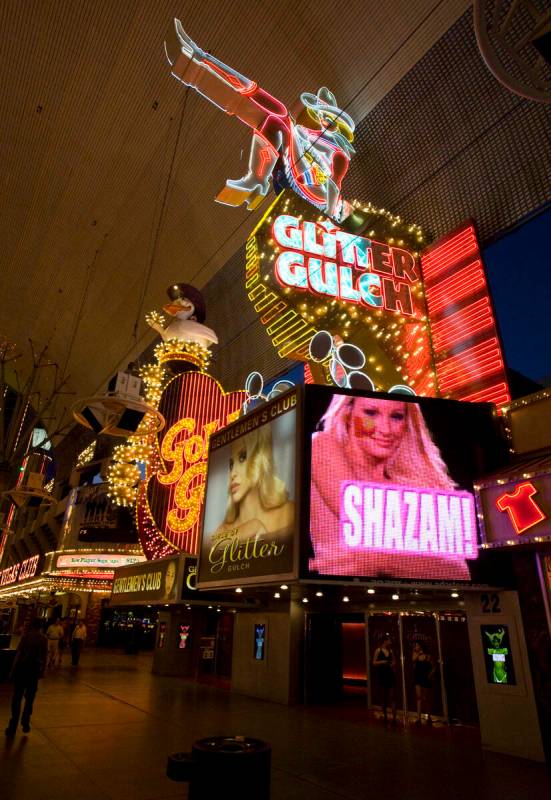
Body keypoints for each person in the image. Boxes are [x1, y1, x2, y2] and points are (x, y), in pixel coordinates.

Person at [166, 20, 355, 220]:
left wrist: (328, 216)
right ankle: (200, 58)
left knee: (279, 114)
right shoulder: (309, 134)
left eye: (329, 119)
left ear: (339, 126)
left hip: (314, 193)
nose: (324, 119)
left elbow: (334, 185)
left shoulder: (340, 154)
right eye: (323, 115)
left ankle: (256, 180)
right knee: (273, 118)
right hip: (299, 171)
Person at [309, 395, 471, 579]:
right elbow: (367, 523)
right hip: (337, 597)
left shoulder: (411, 482)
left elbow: (460, 570)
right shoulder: (322, 445)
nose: (386, 430)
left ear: (408, 422)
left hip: (407, 599)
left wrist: (378, 560)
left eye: (396, 416)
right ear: (347, 413)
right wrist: (414, 559)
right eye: (370, 413)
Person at [211, 426, 295, 546]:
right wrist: (248, 529)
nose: (232, 473)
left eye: (242, 457)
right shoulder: (222, 531)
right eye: (231, 464)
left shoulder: (290, 512)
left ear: (259, 458)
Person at [5, 618, 47, 736]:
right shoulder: (43, 639)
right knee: (30, 698)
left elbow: (19, 654)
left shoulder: (26, 637)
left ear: (32, 626)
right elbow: (44, 656)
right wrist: (43, 670)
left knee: (17, 698)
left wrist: (12, 669)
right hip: (34, 671)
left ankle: (13, 725)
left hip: (22, 669)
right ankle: (25, 721)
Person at [373, 635, 397, 725]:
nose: (390, 642)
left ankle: (394, 717)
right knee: (384, 696)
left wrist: (392, 664)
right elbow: (374, 662)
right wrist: (382, 662)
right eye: (389, 640)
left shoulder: (391, 651)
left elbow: (394, 661)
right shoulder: (378, 650)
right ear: (385, 641)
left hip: (390, 674)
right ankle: (385, 715)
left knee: (392, 696)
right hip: (382, 674)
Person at [412, 642, 434, 725]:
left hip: (425, 678)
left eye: (417, 645)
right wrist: (418, 654)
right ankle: (418, 718)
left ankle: (428, 716)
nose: (415, 647)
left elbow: (432, 666)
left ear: (421, 647)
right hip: (417, 678)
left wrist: (430, 675)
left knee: (426, 698)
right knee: (418, 697)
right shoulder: (415, 654)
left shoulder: (427, 656)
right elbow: (413, 660)